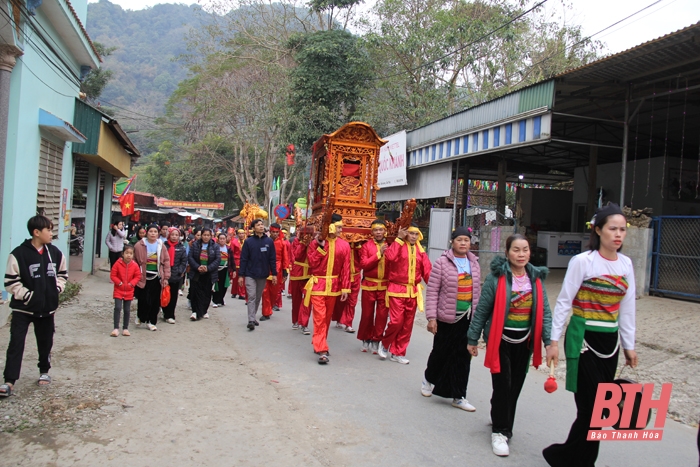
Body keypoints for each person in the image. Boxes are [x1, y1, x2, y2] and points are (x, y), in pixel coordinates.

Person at [543, 204, 637, 467]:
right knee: (593, 408)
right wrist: (553, 342)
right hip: (583, 340)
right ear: (598, 230)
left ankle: (564, 456)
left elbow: (628, 308)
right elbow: (564, 302)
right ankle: (578, 460)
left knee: (598, 410)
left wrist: (629, 345)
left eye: (622, 229)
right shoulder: (583, 261)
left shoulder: (626, 264)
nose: (618, 234)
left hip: (611, 343)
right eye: (612, 229)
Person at [467, 233, 553, 458]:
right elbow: (482, 310)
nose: (521, 254)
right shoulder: (496, 279)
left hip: (524, 342)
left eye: (525, 249)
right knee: (503, 386)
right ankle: (501, 431)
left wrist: (549, 341)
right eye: (516, 250)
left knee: (514, 387)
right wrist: (472, 339)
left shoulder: (536, 279)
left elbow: (544, 313)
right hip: (500, 341)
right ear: (507, 253)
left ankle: (500, 418)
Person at [1, 215, 68, 397]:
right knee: (16, 343)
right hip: (23, 309)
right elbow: (11, 282)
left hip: (47, 309)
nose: (51, 234)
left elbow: (62, 275)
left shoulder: (55, 253)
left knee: (45, 341)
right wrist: (28, 295)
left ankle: (44, 371)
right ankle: (9, 380)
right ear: (36, 232)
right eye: (48, 230)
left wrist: (56, 289)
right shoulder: (18, 254)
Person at [422, 226, 481, 412]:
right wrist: (431, 317)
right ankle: (428, 379)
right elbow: (432, 291)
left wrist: (479, 320)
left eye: (466, 240)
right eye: (459, 240)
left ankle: (459, 395)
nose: (463, 243)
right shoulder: (442, 263)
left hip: (467, 319)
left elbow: (477, 293)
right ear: (452, 242)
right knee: (440, 352)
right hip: (446, 318)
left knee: (463, 357)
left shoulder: (475, 264)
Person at [378, 224, 432, 364]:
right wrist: (399, 239)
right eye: (411, 233)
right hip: (397, 289)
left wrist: (435, 287)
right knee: (396, 321)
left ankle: (398, 352)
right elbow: (389, 257)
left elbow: (427, 271)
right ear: (406, 234)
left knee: (407, 325)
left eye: (416, 234)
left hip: (413, 291)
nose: (413, 236)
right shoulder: (398, 245)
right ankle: (384, 344)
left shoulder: (421, 251)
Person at [305, 214, 351, 364]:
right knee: (319, 317)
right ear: (330, 227)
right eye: (338, 227)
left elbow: (346, 269)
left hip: (334, 287)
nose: (340, 229)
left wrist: (345, 288)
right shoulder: (315, 243)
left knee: (326, 318)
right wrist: (321, 247)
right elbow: (312, 262)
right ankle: (322, 349)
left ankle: (320, 341)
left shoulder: (344, 245)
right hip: (318, 285)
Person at [238, 219, 277, 331]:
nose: (261, 226)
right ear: (253, 228)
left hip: (263, 274)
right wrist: (241, 275)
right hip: (250, 274)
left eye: (262, 224)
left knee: (258, 297)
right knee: (251, 296)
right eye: (258, 225)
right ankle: (251, 320)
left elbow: (272, 259)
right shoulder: (249, 242)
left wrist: (274, 274)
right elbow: (243, 259)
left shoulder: (269, 241)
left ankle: (253, 316)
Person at [358, 220, 389, 354]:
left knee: (382, 315)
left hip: (385, 286)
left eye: (380, 230)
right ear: (372, 232)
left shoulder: (391, 245)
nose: (378, 233)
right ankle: (366, 338)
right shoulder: (366, 246)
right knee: (367, 314)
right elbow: (364, 264)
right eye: (375, 230)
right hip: (369, 285)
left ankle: (377, 339)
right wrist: (378, 254)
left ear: (385, 231)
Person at [134, 224, 171, 331]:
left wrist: (166, 277)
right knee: (143, 299)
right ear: (147, 232)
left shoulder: (161, 246)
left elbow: (166, 262)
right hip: (143, 277)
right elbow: (135, 261)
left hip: (157, 277)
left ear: (158, 233)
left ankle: (152, 321)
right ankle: (141, 316)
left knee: (155, 301)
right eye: (151, 231)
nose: (153, 234)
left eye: (155, 232)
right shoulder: (139, 245)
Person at [187, 228, 221, 321]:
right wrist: (197, 266)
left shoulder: (215, 246)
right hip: (196, 272)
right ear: (201, 235)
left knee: (206, 292)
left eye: (208, 235)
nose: (206, 237)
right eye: (204, 235)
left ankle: (204, 310)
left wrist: (208, 268)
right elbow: (190, 257)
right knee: (195, 291)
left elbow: (217, 259)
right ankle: (195, 311)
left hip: (209, 273)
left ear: (211, 236)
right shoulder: (195, 245)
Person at [109, 244, 141, 336]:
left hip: (129, 291)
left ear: (133, 255)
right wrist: (119, 283)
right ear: (122, 254)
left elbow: (137, 276)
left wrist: (132, 284)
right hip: (118, 290)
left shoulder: (134, 265)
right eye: (127, 253)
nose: (129, 255)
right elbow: (113, 275)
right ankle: (115, 328)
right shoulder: (117, 263)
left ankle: (125, 328)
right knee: (118, 308)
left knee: (127, 310)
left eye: (131, 253)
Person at [333, 240, 362, 333]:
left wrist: (359, 246)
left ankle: (348, 323)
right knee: (340, 300)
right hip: (342, 276)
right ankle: (339, 318)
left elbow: (363, 259)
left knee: (352, 301)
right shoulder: (341, 243)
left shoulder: (361, 244)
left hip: (356, 275)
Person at [261, 223, 288, 319]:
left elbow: (285, 257)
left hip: (278, 270)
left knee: (274, 292)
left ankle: (270, 307)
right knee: (265, 291)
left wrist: (285, 270)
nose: (275, 234)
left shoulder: (282, 243)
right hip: (265, 268)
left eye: (277, 232)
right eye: (273, 232)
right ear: (270, 232)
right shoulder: (265, 241)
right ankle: (266, 312)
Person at [162, 227, 187, 324]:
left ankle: (170, 314)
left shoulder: (181, 247)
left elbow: (184, 261)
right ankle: (164, 312)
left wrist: (180, 270)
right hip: (164, 274)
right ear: (169, 235)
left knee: (173, 296)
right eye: (172, 234)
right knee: (164, 294)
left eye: (176, 235)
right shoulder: (164, 246)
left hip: (176, 275)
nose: (174, 237)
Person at [289, 234, 312, 334]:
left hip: (310, 274)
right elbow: (297, 256)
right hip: (297, 273)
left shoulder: (315, 243)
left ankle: (304, 323)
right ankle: (296, 321)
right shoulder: (296, 242)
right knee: (296, 299)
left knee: (307, 300)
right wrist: (303, 244)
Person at [212, 233, 235, 307]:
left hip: (225, 269)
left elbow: (232, 260)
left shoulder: (228, 249)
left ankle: (221, 299)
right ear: (218, 239)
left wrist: (234, 270)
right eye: (220, 238)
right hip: (216, 269)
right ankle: (215, 300)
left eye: (223, 239)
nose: (222, 240)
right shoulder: (215, 248)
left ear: (226, 239)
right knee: (217, 285)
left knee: (224, 285)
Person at [229, 229, 246, 300]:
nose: (241, 235)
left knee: (242, 278)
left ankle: (241, 293)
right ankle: (234, 292)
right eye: (240, 233)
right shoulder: (234, 242)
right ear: (237, 234)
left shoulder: (246, 242)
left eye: (243, 233)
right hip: (236, 261)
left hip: (244, 262)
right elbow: (231, 252)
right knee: (235, 278)